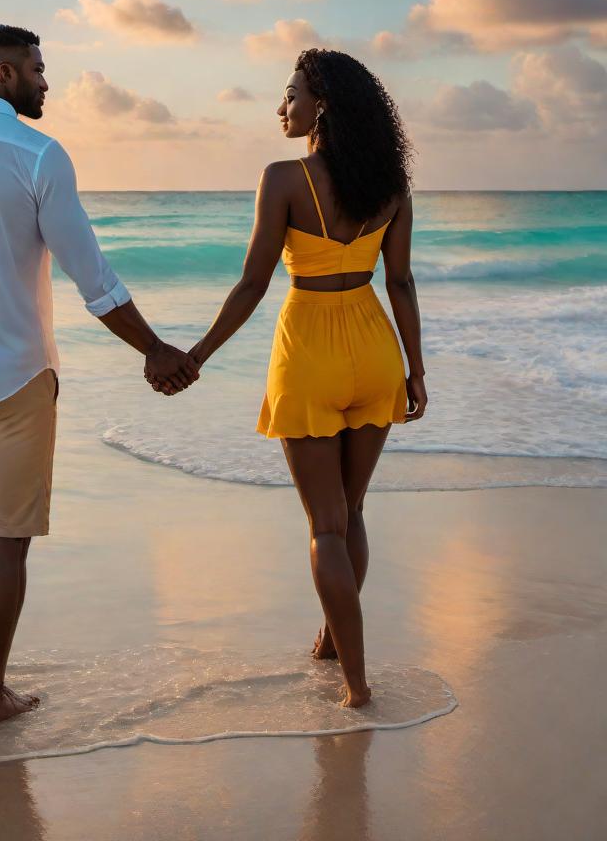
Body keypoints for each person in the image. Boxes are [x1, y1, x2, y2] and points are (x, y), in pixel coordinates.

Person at [0, 24, 199, 728]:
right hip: (19, 374)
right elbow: (93, 275)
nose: (47, 82)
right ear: (2, 73)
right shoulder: (38, 154)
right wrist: (153, 348)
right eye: (38, 70)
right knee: (7, 544)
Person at [161, 48, 427, 707]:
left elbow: (253, 283)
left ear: (322, 106)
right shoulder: (389, 189)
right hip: (373, 350)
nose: (283, 107)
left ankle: (357, 684)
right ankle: (335, 644)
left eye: (292, 94)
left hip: (307, 350)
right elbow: (399, 282)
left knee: (325, 528)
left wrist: (197, 353)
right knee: (351, 512)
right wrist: (416, 371)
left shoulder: (283, 178)